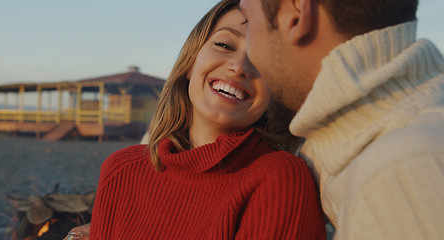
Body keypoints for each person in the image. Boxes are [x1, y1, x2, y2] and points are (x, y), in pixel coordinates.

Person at [63, 0, 327, 239]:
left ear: (277, 90)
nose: (240, 66)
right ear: (190, 62)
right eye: (224, 45)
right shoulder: (120, 169)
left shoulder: (278, 178)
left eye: (264, 58)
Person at [239, 0, 444, 239]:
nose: (246, 61)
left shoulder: (401, 174)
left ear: (296, 15)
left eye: (249, 21)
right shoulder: (350, 151)